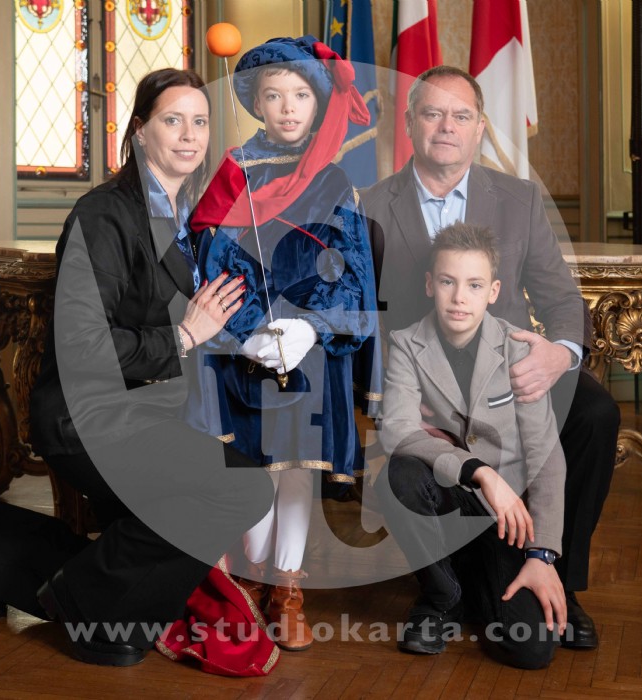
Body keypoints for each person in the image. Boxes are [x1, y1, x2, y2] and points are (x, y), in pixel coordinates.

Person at [0, 68, 274, 667]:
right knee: (243, 487)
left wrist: (248, 336)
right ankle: (85, 606)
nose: (189, 135)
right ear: (140, 131)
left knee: (178, 515)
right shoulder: (102, 214)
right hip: (89, 416)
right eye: (172, 121)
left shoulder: (188, 215)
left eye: (200, 122)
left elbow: (195, 314)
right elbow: (82, 346)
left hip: (154, 410)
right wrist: (185, 335)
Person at [362, 65, 619, 650]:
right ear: (410, 124)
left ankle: (558, 578)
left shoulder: (519, 199)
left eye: (461, 116)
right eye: (432, 114)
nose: (446, 127)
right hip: (422, 375)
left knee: (595, 414)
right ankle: (446, 589)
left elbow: (560, 298)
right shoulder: (371, 205)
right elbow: (362, 315)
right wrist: (394, 391)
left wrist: (559, 355)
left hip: (511, 370)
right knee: (408, 466)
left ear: (479, 128)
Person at [185, 36, 379, 652]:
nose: (289, 107)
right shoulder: (231, 176)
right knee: (253, 468)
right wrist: (244, 336)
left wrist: (308, 328)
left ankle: (288, 587)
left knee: (298, 469)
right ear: (256, 104)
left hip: (310, 353)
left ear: (317, 104)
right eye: (274, 96)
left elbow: (352, 275)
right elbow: (211, 266)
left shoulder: (335, 182)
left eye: (300, 95)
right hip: (242, 352)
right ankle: (248, 578)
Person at [379, 222, 567, 667]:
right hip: (447, 498)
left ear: (493, 291)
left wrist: (541, 554)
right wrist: (478, 472)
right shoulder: (406, 345)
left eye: (474, 285)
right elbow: (398, 430)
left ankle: (473, 584)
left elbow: (545, 456)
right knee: (398, 473)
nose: (459, 297)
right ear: (430, 284)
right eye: (448, 282)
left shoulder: (518, 350)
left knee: (531, 650)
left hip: (506, 519)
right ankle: (442, 595)